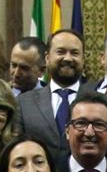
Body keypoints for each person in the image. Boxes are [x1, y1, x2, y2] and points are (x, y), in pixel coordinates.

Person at [18, 28, 85, 156]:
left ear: (83, 60)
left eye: (75, 53)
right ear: (47, 58)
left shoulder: (100, 100)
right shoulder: (23, 103)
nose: (68, 58)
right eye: (61, 52)